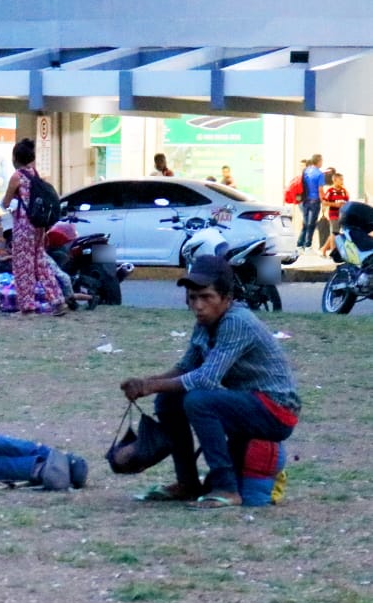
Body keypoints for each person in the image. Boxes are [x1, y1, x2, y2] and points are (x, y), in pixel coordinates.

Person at [119, 255, 299, 509]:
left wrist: (149, 386)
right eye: (193, 298)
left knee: (198, 400)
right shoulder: (206, 323)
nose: (198, 306)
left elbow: (205, 378)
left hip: (277, 410)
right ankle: (187, 483)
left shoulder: (237, 322)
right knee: (169, 399)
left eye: (206, 297)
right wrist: (145, 383)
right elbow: (185, 367)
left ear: (227, 298)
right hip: (250, 402)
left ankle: (226, 488)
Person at [1, 139, 68, 316]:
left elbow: (6, 202)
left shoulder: (17, 176)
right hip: (38, 226)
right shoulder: (34, 173)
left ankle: (27, 306)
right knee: (40, 264)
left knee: (23, 266)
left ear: (16, 157)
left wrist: (10, 202)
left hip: (24, 226)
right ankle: (58, 301)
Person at [297, 154, 325, 250]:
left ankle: (300, 244)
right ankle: (308, 245)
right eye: (321, 161)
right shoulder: (319, 174)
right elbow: (320, 190)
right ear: (318, 161)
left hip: (305, 200)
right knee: (312, 224)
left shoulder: (306, 171)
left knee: (305, 223)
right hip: (315, 201)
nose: (322, 163)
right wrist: (323, 201)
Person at [322, 172, 349, 257]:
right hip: (333, 214)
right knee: (335, 232)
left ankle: (324, 249)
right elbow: (324, 202)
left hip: (342, 214)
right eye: (340, 179)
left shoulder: (343, 191)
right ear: (334, 180)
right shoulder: (330, 191)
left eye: (342, 179)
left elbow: (347, 201)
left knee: (336, 232)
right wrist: (335, 204)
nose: (342, 181)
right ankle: (333, 252)